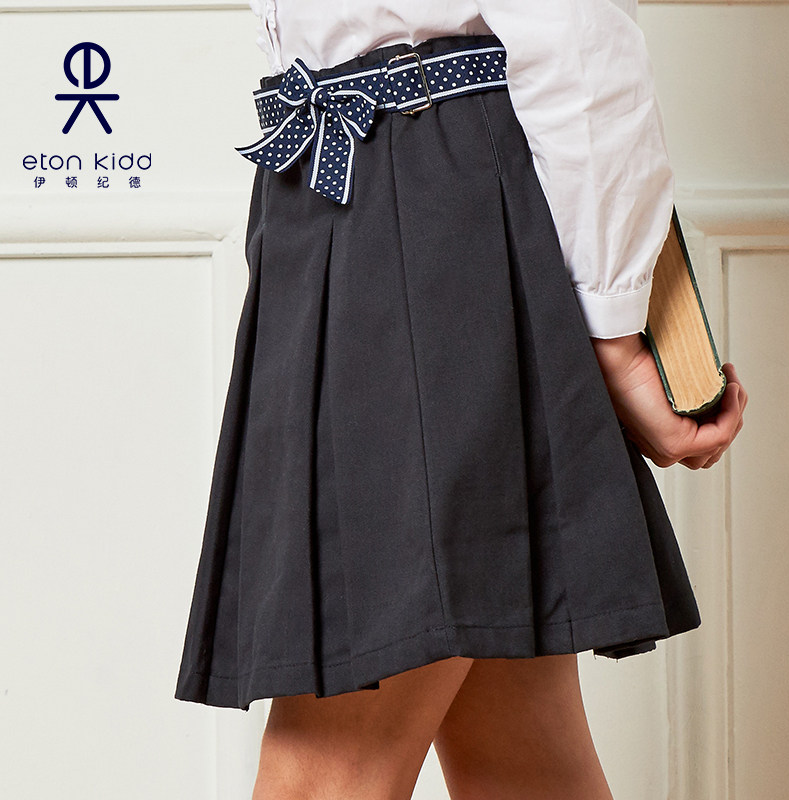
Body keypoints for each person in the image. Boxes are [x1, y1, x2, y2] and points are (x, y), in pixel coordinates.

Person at [174, 1, 748, 798]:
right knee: (519, 758)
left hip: (431, 210)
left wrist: (616, 335)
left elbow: (577, 29)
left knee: (326, 770)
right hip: (340, 190)